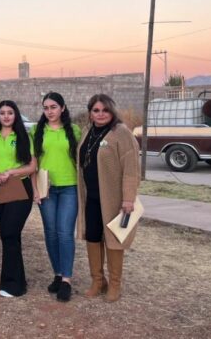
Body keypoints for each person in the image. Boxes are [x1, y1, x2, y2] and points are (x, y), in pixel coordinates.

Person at [77, 94, 140, 302]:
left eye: (105, 110)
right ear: (90, 113)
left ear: (112, 111)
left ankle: (115, 284)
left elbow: (131, 169)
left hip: (113, 197)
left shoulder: (121, 133)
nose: (100, 114)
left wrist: (128, 199)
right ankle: (98, 281)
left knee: (114, 239)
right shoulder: (87, 131)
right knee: (93, 236)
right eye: (96, 110)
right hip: (91, 196)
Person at [0, 100, 37, 298]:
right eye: (2, 113)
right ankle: (20, 281)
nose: (6, 116)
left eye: (10, 113)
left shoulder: (23, 136)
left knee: (9, 233)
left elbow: (32, 166)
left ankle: (11, 285)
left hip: (19, 188)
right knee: (10, 235)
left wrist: (11, 172)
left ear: (16, 115)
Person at [31, 92, 81, 302]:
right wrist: (35, 190)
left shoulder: (75, 130)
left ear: (62, 108)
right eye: (46, 108)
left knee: (65, 233)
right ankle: (58, 274)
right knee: (50, 233)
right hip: (46, 188)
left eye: (53, 107)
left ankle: (67, 280)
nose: (49, 111)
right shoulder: (36, 130)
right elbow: (33, 163)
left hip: (70, 187)